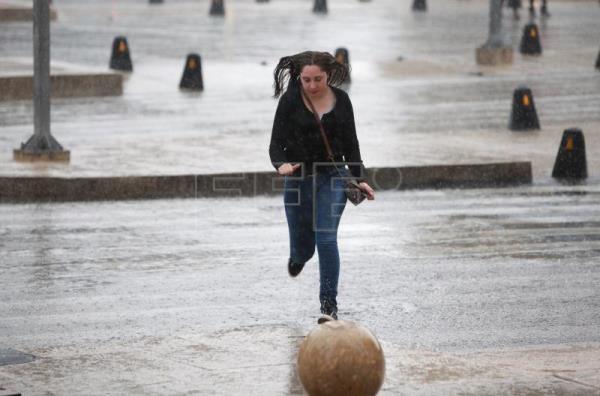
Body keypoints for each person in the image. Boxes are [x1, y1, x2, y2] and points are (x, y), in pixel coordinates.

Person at [268, 51, 375, 321]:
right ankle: (299, 256)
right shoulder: (290, 100)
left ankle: (328, 306)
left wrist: (361, 178)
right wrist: (280, 164)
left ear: (328, 75)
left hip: (333, 175)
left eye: (318, 79)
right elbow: (275, 143)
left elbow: (352, 144)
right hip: (298, 177)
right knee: (304, 245)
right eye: (307, 80)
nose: (313, 85)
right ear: (299, 78)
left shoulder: (342, 101)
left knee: (326, 237)